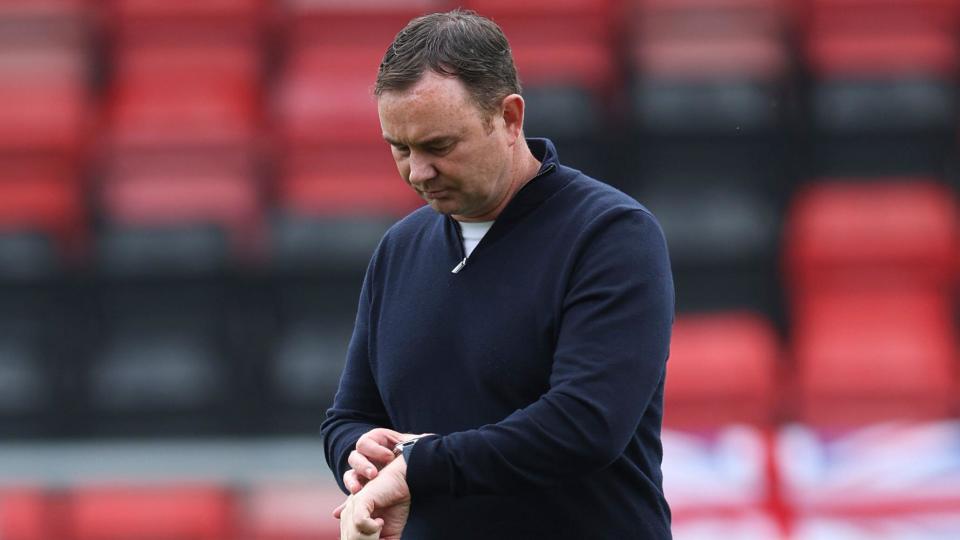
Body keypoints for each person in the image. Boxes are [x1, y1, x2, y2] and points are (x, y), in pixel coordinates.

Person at [320, 9, 675, 540]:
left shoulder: (611, 235)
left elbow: (584, 425)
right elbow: (347, 415)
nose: (418, 172)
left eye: (439, 146)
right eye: (400, 148)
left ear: (509, 118)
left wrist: (419, 464)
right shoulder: (400, 247)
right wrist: (360, 454)